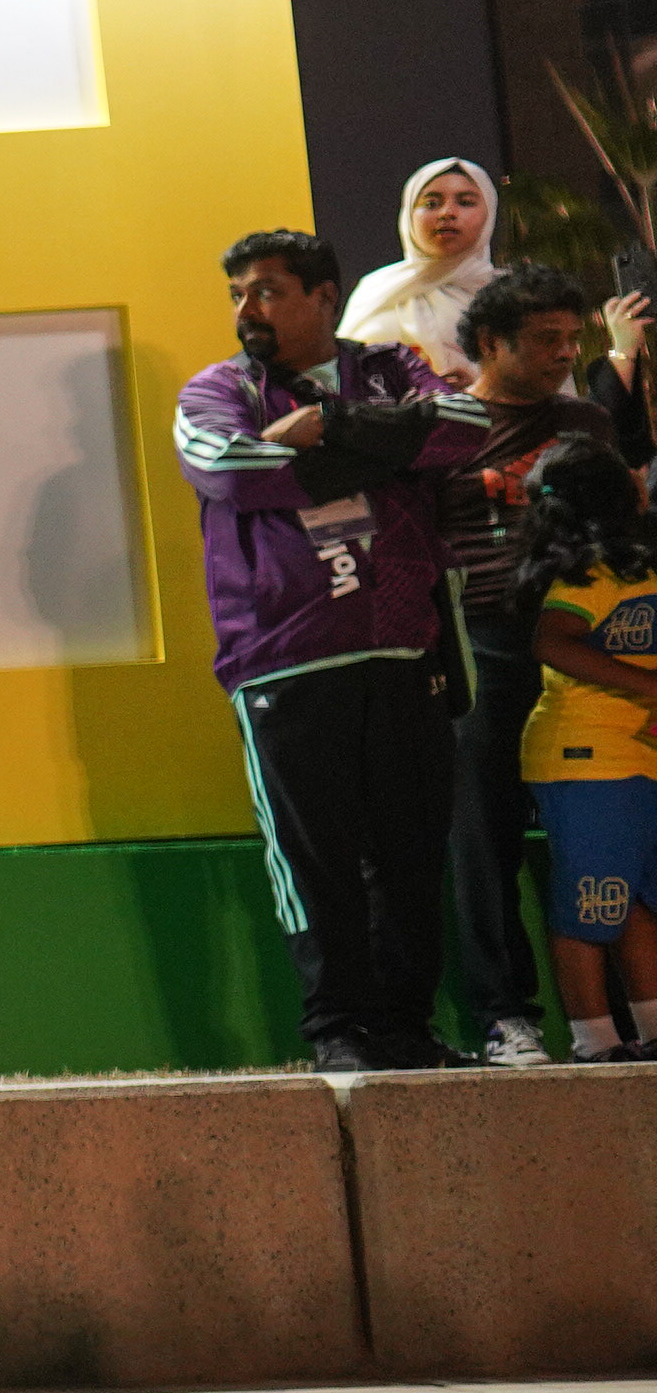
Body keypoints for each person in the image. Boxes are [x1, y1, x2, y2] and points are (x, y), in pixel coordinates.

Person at [180, 230, 484, 1073]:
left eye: (268, 291)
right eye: (238, 294)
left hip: (402, 656)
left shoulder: (388, 367)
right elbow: (234, 470)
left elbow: (463, 427)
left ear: (323, 295)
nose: (247, 310)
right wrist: (383, 452)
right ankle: (338, 1034)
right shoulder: (217, 389)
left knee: (411, 858)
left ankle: (406, 1031)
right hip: (284, 661)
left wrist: (328, 425)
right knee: (315, 865)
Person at [427, 267, 638, 1068]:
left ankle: (622, 1015)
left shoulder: (585, 420)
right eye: (545, 339)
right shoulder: (442, 427)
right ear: (490, 342)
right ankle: (502, 1016)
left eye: (570, 338)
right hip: (481, 641)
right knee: (482, 837)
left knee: (602, 832)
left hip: (585, 641)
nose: (563, 352)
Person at [509, 445, 656, 1058]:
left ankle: (650, 1031)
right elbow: (553, 642)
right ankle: (594, 1041)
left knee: (635, 900)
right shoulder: (588, 579)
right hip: (588, 759)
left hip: (632, 760)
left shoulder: (635, 572)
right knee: (592, 901)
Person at [337, 156, 503, 382]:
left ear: (489, 213)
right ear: (408, 215)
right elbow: (344, 380)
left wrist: (478, 389)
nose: (447, 213)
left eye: (465, 202)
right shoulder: (376, 289)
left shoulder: (509, 297)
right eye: (431, 204)